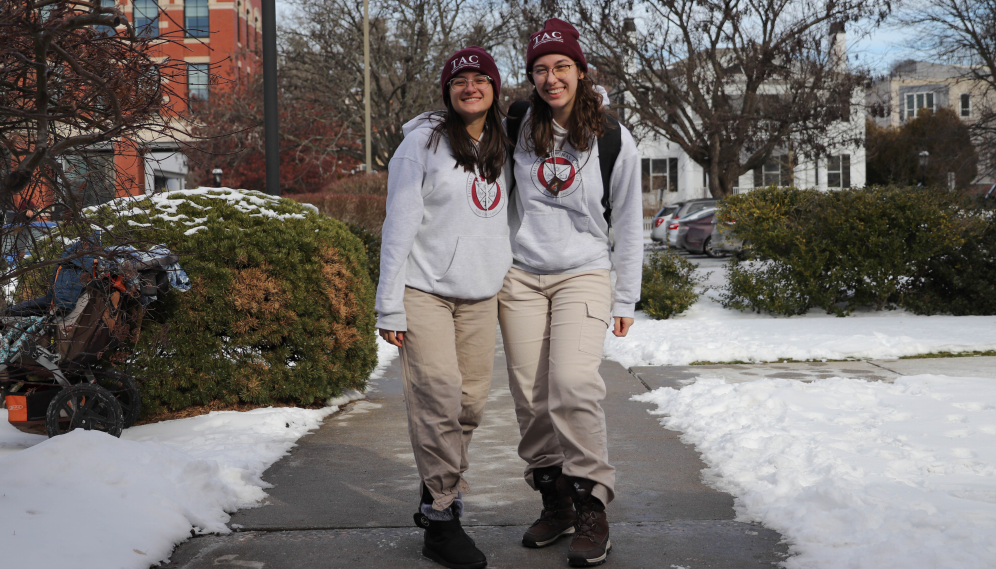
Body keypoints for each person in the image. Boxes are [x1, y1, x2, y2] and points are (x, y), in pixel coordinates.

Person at [499, 18, 643, 568]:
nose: (551, 77)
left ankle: (591, 506)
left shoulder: (610, 136)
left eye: (561, 67)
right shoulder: (517, 124)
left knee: (573, 383)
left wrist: (625, 297)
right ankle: (554, 502)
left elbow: (629, 223)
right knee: (530, 397)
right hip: (522, 275)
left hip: (583, 271)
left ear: (582, 73)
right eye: (540, 68)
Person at [375, 46, 512, 569]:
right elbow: (399, 225)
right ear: (447, 92)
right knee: (437, 398)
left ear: (495, 88)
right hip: (425, 291)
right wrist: (389, 306)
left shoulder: (507, 141)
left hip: (480, 295)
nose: (470, 87)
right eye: (460, 81)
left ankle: (436, 490)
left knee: (469, 406)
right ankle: (442, 514)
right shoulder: (422, 145)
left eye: (481, 79)